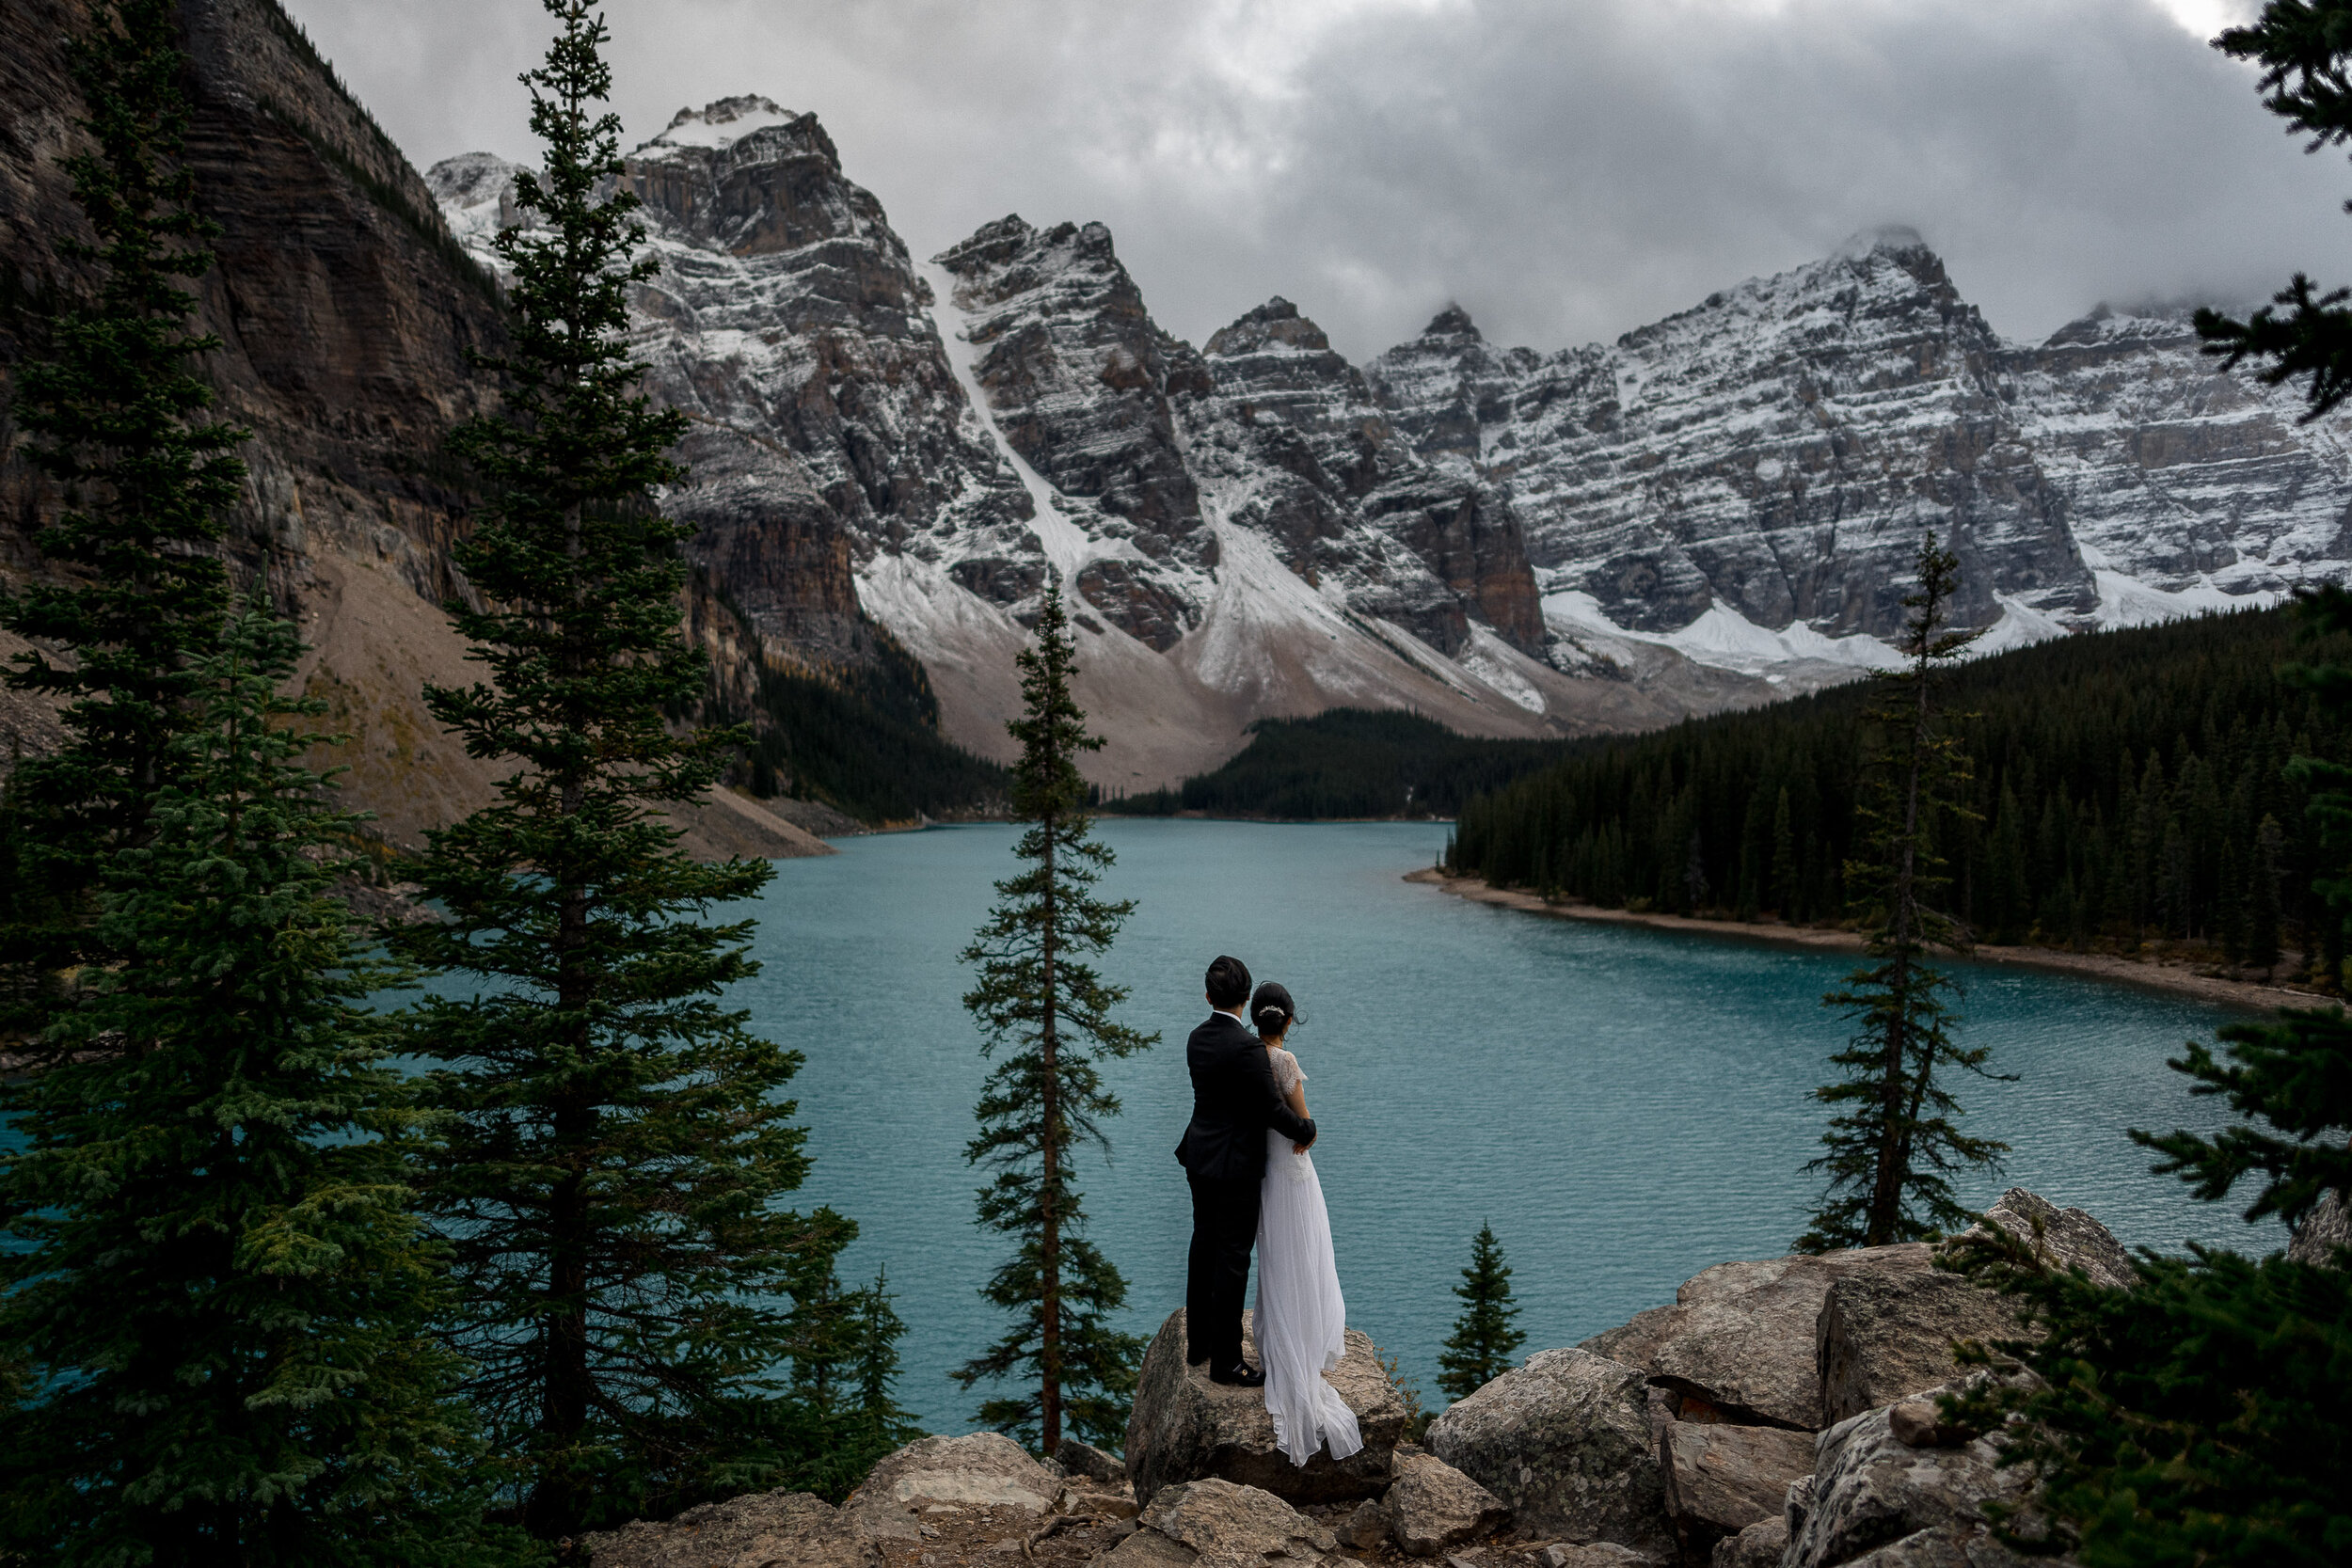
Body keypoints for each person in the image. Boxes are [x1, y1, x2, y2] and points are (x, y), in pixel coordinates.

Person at [1176, 954, 1316, 1386]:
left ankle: (1199, 1345)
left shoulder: (1196, 1039)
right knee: (1234, 1259)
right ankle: (1227, 1363)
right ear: (1245, 998)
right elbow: (1270, 1109)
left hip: (1199, 1158)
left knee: (1203, 1247)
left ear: (1208, 996)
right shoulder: (1249, 1048)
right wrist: (1306, 1128)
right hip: (1235, 1166)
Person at [1248, 980, 1363, 1466]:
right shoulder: (1284, 1062)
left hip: (1265, 1171)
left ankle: (1279, 1334)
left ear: (1256, 1019)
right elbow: (1306, 1126)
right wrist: (1310, 1132)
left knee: (1278, 1254)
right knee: (1307, 1251)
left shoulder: (1248, 1059)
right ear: (1289, 1021)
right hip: (1294, 1171)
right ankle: (1304, 1339)